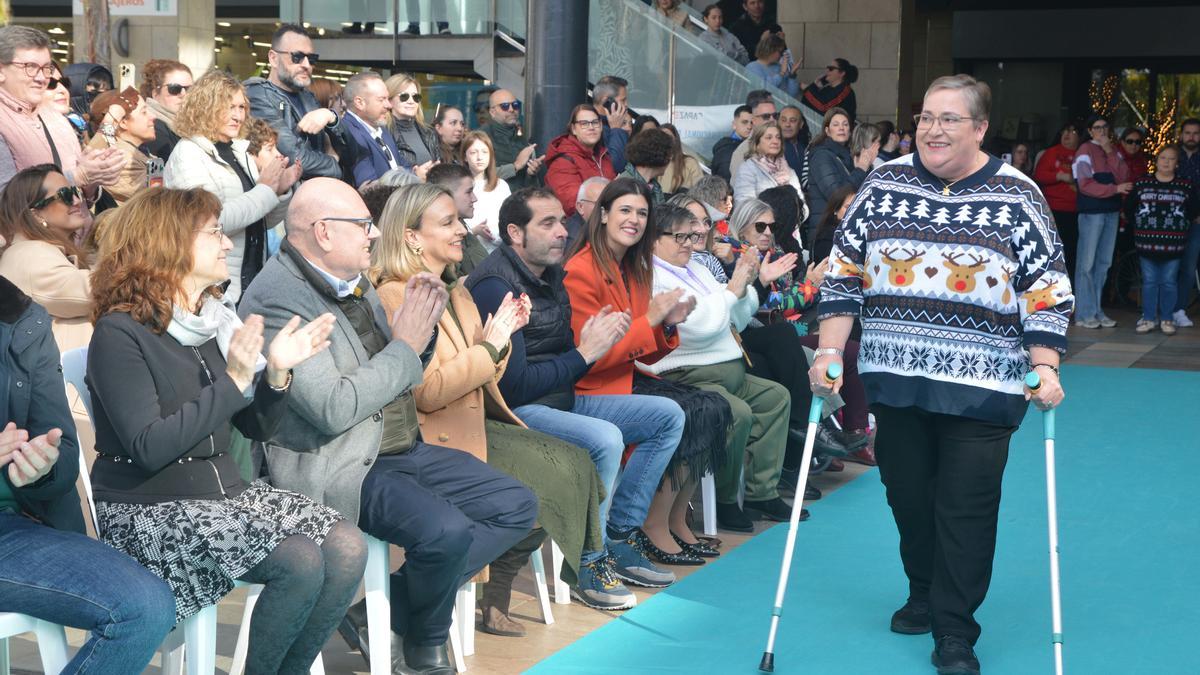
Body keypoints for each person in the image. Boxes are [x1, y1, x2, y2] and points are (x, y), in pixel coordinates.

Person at [814, 74, 1072, 675]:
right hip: (896, 380)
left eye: (948, 119)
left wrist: (1044, 366)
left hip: (985, 389)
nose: (933, 129)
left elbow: (1048, 291)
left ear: (980, 128)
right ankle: (923, 589)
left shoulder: (1019, 195)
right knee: (907, 498)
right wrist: (828, 351)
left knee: (965, 508)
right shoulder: (882, 183)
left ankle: (955, 629)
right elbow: (844, 273)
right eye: (927, 117)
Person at [238, 178, 536, 674]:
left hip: (399, 447)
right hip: (344, 462)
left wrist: (416, 340)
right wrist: (407, 345)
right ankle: (425, 647)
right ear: (324, 233)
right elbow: (333, 408)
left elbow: (402, 371)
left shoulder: (351, 278)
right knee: (447, 532)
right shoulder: (278, 300)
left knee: (515, 504)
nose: (374, 234)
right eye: (362, 225)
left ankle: (387, 610)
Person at [87, 186, 365, 675]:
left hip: (223, 497)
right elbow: (150, 447)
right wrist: (236, 381)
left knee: (346, 546)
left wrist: (276, 375)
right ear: (168, 242)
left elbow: (254, 426)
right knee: (298, 560)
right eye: (213, 232)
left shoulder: (207, 322)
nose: (226, 243)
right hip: (149, 510)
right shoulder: (118, 333)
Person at [371, 182, 604, 635]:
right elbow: (430, 391)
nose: (463, 230)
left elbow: (487, 379)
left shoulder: (457, 291)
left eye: (459, 220)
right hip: (434, 435)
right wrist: (492, 346)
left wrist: (501, 340)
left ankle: (460, 596)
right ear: (412, 236)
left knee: (572, 473)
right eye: (448, 223)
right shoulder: (396, 294)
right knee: (547, 486)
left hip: (474, 423)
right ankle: (443, 599)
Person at [467, 186, 690, 608]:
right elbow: (511, 388)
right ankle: (590, 561)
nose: (560, 232)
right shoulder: (498, 285)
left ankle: (620, 536)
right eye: (547, 223)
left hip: (561, 396)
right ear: (515, 233)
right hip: (515, 411)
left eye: (561, 222)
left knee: (667, 415)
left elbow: (578, 356)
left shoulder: (551, 273)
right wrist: (586, 352)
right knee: (604, 438)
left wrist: (597, 347)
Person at [0, 275, 178, 675]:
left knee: (144, 607)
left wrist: (41, 469)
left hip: (15, 529)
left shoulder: (20, 318)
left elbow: (62, 451)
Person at [563, 178, 702, 574]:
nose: (635, 219)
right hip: (586, 389)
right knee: (670, 414)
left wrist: (668, 325)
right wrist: (653, 320)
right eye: (625, 210)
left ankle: (622, 533)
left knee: (695, 409)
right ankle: (621, 534)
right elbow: (589, 357)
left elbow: (644, 347)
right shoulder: (581, 270)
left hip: (622, 382)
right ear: (603, 215)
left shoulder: (633, 268)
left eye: (642, 212)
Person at [641, 201, 793, 530]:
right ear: (654, 239)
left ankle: (760, 491)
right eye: (679, 236)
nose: (688, 243)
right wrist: (732, 291)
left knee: (775, 398)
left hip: (727, 367)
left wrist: (745, 288)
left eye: (690, 235)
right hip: (684, 375)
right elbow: (695, 328)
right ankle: (725, 501)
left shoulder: (695, 266)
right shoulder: (649, 275)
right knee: (735, 414)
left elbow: (734, 318)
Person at [165, 70, 301, 303]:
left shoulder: (240, 151)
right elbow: (210, 222)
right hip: (213, 286)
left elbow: (260, 221)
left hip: (248, 280)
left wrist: (280, 192)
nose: (238, 115)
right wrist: (266, 190)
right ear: (206, 106)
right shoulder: (188, 153)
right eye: (229, 107)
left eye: (241, 107)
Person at [0, 26, 124, 194]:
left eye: (46, 68)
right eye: (30, 67)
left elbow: (82, 192)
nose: (42, 78)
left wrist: (93, 180)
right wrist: (77, 177)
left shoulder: (58, 118)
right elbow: (6, 198)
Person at [0, 165, 93, 352]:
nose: (76, 201)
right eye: (66, 195)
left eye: (76, 191)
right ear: (35, 214)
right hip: (63, 377)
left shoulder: (39, 251)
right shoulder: (28, 254)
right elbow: (93, 291)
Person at [244, 23, 353, 180]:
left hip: (318, 193)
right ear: (273, 59)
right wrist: (333, 163)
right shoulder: (257, 95)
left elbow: (352, 156)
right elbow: (293, 158)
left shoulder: (308, 97)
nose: (306, 65)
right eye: (297, 57)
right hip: (289, 199)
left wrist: (331, 117)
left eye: (312, 58)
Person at [1127, 145, 1196, 335]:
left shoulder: (1185, 185)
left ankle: (1167, 318)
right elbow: (1130, 208)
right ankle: (1148, 318)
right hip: (1146, 243)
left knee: (1168, 282)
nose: (1166, 162)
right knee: (1149, 281)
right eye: (1163, 158)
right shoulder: (1142, 183)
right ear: (1156, 161)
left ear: (1177, 163)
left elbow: (1192, 211)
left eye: (1171, 158)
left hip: (1174, 245)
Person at [1072, 113, 1131, 329]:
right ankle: (1084, 313)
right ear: (1090, 131)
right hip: (1093, 212)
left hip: (1111, 211)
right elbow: (1085, 184)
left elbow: (1124, 175)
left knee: (1103, 264)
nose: (1102, 131)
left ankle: (1096, 310)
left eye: (1105, 127)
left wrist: (1109, 151)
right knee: (1086, 264)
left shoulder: (1112, 150)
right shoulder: (1084, 151)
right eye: (1097, 128)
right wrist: (1114, 189)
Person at [805, 106, 871, 242]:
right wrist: (861, 169)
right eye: (836, 124)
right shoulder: (821, 155)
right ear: (827, 131)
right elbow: (835, 194)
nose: (841, 128)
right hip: (826, 232)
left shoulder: (847, 155)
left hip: (844, 227)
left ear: (850, 130)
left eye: (845, 124)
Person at [84, 87, 158, 206]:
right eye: (144, 112)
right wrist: (113, 116)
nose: (153, 116)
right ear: (122, 122)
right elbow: (157, 200)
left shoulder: (141, 153)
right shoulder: (121, 160)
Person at [544, 104, 618, 218]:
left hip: (604, 222)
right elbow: (573, 205)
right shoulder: (562, 161)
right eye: (584, 124)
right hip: (579, 230)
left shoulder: (604, 156)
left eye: (595, 122)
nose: (591, 127)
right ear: (573, 129)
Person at [1033, 122, 1081, 281]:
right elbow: (1039, 175)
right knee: (1053, 251)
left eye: (1072, 131)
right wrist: (1059, 176)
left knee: (1072, 252)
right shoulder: (1051, 152)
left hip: (1076, 210)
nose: (1067, 134)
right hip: (1054, 210)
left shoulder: (1083, 153)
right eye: (1064, 131)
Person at [342, 71, 408, 188]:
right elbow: (369, 187)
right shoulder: (349, 132)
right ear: (359, 103)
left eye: (387, 99)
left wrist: (416, 172)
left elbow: (401, 164)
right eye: (381, 99)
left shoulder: (381, 128)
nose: (389, 105)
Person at [426, 162, 490, 276]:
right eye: (469, 192)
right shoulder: (440, 243)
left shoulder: (464, 231)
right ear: (447, 194)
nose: (474, 198)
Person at [480, 89, 542, 189]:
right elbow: (479, 176)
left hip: (520, 201)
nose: (511, 109)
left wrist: (531, 173)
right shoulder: (481, 137)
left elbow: (529, 187)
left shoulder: (521, 139)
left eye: (515, 105)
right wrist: (515, 166)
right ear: (492, 112)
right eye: (504, 106)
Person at [462, 130, 512, 254]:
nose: (479, 157)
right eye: (473, 152)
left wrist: (493, 235)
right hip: (469, 254)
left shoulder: (501, 186)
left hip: (498, 252)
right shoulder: (458, 187)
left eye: (484, 152)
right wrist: (474, 231)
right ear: (465, 157)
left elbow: (510, 220)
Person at [385, 73, 441, 177]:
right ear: (389, 100)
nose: (411, 101)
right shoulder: (382, 132)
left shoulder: (428, 132)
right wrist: (414, 174)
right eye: (404, 96)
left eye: (416, 97)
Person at [733, 121, 802, 202]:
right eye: (769, 138)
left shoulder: (790, 171)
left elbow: (803, 206)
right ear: (757, 144)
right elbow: (744, 204)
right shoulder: (747, 169)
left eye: (778, 137)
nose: (775, 141)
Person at [1173, 118, 1200, 326]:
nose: (1191, 137)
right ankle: (1164, 310)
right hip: (1170, 221)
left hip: (1197, 221)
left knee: (1189, 267)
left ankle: (1180, 309)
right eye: (1188, 133)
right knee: (1168, 267)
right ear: (1181, 134)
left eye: (1195, 133)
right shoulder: (1172, 156)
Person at [140, 58, 193, 161]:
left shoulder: (191, 126)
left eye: (190, 89)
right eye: (174, 89)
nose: (183, 94)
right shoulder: (152, 128)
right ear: (155, 94)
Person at [727, 96, 779, 180]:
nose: (772, 120)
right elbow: (740, 190)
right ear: (754, 121)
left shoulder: (781, 146)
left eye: (775, 115)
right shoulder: (742, 152)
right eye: (766, 116)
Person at [620, 128, 672, 205]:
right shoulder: (625, 185)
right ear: (658, 154)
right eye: (668, 154)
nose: (670, 158)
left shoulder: (654, 186)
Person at [591, 75, 632, 173]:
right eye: (623, 100)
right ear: (606, 102)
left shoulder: (614, 124)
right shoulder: (592, 127)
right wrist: (616, 129)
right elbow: (615, 166)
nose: (626, 105)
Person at [802, 57, 858, 125]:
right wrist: (815, 85)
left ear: (842, 73)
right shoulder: (827, 88)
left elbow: (823, 106)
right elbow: (808, 104)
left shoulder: (845, 90)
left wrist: (809, 89)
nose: (827, 71)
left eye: (831, 69)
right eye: (828, 68)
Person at [745, 33, 801, 97]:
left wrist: (792, 76)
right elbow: (763, 90)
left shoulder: (778, 67)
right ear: (771, 50)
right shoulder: (752, 67)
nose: (782, 55)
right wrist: (781, 74)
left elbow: (791, 95)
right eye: (780, 52)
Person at [658, 124, 704, 194]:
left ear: (676, 141)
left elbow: (700, 192)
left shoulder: (690, 163)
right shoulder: (650, 164)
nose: (665, 140)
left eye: (669, 137)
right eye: (661, 136)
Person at [566, 176, 609, 252]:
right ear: (580, 207)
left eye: (609, 204)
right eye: (599, 204)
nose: (606, 209)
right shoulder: (575, 239)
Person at [711, 105, 753, 181]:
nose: (749, 126)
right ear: (734, 125)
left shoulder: (753, 145)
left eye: (752, 123)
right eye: (744, 122)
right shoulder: (726, 150)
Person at [779, 105, 809, 182]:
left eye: (792, 120)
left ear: (801, 124)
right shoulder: (773, 147)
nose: (787, 125)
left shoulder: (806, 148)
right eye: (783, 120)